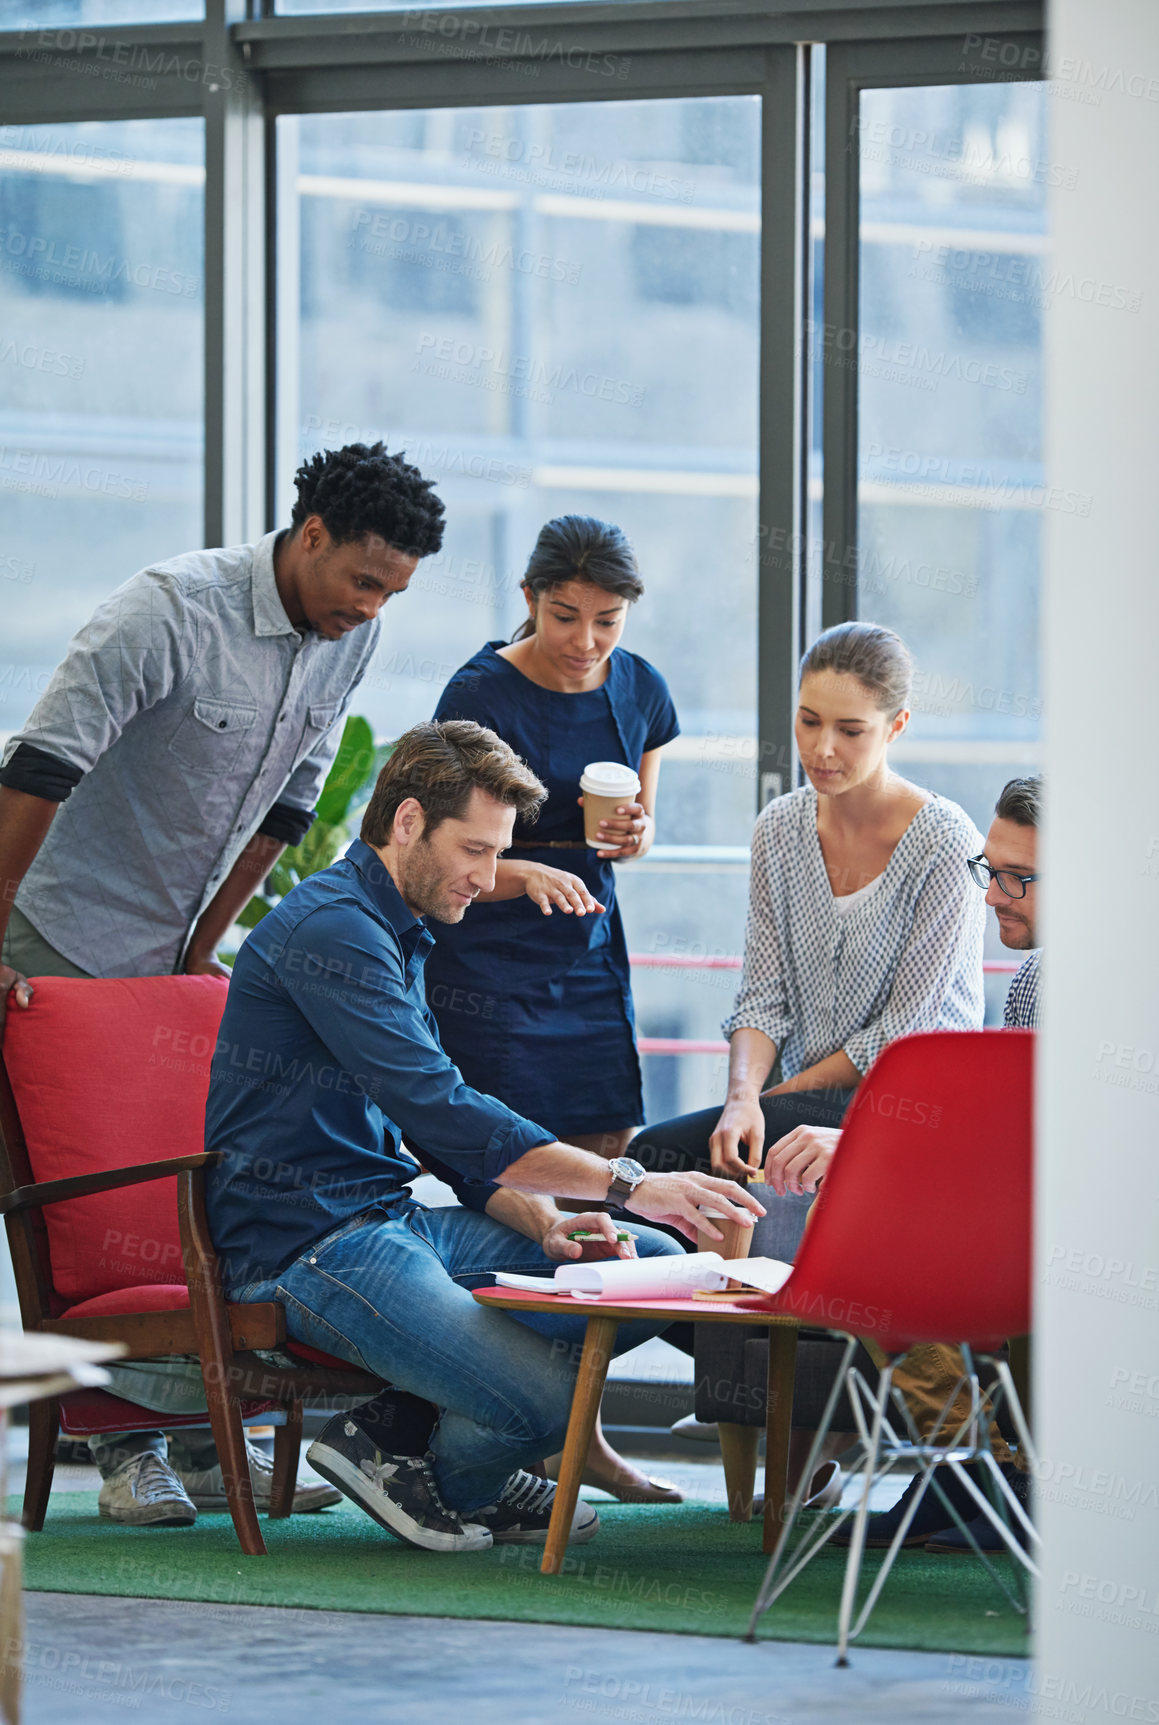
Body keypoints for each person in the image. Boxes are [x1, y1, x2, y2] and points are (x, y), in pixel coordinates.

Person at [0, 441, 446, 1528]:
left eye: (394, 591)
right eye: (363, 580)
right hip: (56, 930)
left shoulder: (353, 635)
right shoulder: (166, 610)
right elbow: (38, 768)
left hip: (167, 950)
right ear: (309, 538)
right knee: (82, 1207)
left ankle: (197, 1426)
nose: (373, 608)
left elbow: (292, 806)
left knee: (174, 1194)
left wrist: (203, 946)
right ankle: (124, 1452)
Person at [204, 721, 763, 1553]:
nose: (488, 877)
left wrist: (545, 1220)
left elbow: (433, 1133)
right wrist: (627, 1181)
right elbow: (441, 1106)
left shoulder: (395, 923)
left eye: (498, 852)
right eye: (474, 848)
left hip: (387, 1220)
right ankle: (449, 1470)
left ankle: (395, 1434)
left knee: (643, 1267)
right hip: (307, 1243)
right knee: (542, 1402)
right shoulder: (333, 930)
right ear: (404, 824)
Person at [633, 620, 986, 1478]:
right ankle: (754, 1388)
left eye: (849, 729)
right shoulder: (778, 828)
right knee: (655, 1165)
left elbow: (903, 1033)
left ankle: (798, 1420)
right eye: (806, 721)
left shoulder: (944, 842)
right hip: (799, 1091)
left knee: (753, 1157)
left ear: (895, 727)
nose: (820, 748)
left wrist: (777, 1093)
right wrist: (746, 1095)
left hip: (907, 1094)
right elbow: (760, 995)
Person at [426, 514, 682, 1504]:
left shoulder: (639, 686)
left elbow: (637, 834)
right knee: (515, 1190)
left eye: (606, 621)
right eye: (566, 616)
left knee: (602, 1184)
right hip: (487, 972)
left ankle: (576, 1430)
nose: (586, 643)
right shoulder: (479, 693)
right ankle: (508, 1414)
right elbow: (441, 861)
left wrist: (632, 838)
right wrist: (520, 868)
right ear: (530, 599)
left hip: (586, 963)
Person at [821, 773, 1042, 1555]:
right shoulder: (1032, 985)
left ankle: (991, 1464)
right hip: (1037, 1210)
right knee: (877, 1225)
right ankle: (987, 1461)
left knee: (881, 1229)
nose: (993, 895)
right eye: (993, 869)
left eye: (1020, 878)